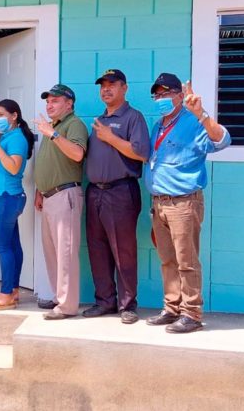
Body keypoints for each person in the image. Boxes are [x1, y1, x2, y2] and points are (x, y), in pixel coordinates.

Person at [144, 73, 231, 333]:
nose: (161, 98)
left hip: (183, 203)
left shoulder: (193, 121)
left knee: (186, 260)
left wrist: (201, 113)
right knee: (167, 260)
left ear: (180, 96)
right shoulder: (158, 125)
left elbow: (222, 140)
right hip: (159, 203)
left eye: (166, 93)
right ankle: (172, 308)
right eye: (157, 95)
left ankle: (192, 313)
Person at [82, 69, 150, 324]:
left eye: (112, 85)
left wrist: (111, 138)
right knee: (97, 249)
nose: (106, 89)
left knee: (123, 251)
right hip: (95, 193)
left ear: (125, 88)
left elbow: (142, 153)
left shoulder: (133, 118)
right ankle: (105, 301)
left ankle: (127, 305)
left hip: (121, 192)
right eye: (103, 86)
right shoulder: (100, 120)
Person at [33, 84, 88, 320]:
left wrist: (52, 134)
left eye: (55, 100)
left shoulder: (73, 124)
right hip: (49, 197)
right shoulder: (53, 127)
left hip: (66, 195)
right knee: (52, 252)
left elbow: (77, 154)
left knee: (65, 252)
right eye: (48, 101)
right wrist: (39, 190)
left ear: (69, 103)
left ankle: (67, 306)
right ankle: (58, 298)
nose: (49, 104)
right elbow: (49, 162)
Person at [0, 99, 35, 311]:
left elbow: (13, 168)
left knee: (1, 245)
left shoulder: (17, 138)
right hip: (5, 197)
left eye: (1, 114)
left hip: (7, 197)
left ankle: (5, 295)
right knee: (11, 244)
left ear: (14, 116)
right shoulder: (9, 137)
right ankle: (12, 290)